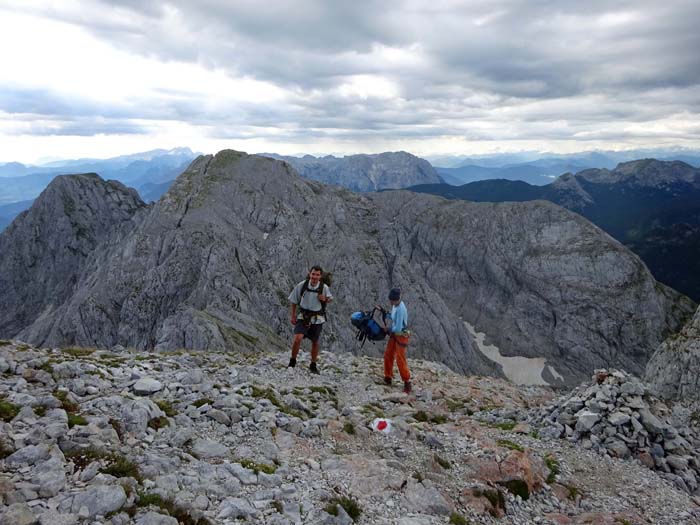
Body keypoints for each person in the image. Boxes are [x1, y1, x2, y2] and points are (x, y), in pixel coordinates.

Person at [287, 265, 333, 374]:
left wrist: (324, 299)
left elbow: (330, 299)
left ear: (320, 276)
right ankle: (292, 361)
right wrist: (293, 315)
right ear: (309, 274)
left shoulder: (324, 287)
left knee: (315, 342)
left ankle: (313, 364)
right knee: (298, 338)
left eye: (317, 275)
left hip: (317, 318)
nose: (315, 277)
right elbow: (293, 300)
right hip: (303, 316)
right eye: (313, 274)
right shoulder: (302, 285)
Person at [379, 287, 412, 393]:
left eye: (391, 300)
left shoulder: (401, 309)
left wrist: (388, 329)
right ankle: (388, 377)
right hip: (395, 335)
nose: (390, 302)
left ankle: (407, 382)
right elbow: (393, 318)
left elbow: (398, 328)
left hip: (401, 335)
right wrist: (384, 312)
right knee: (388, 354)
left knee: (400, 359)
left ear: (395, 299)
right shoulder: (395, 306)